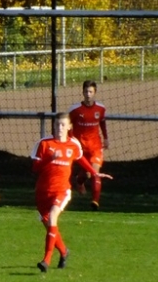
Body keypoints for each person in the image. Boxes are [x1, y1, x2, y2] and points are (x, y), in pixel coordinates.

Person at [30, 112, 112, 272]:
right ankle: (64, 251)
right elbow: (35, 168)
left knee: (53, 217)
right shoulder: (44, 143)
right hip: (43, 191)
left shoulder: (73, 145)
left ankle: (46, 260)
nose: (60, 128)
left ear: (69, 127)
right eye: (57, 125)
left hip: (62, 190)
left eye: (63, 125)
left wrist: (95, 173)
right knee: (50, 226)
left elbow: (81, 159)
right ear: (54, 126)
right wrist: (49, 158)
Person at [68, 80, 109, 210]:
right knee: (87, 174)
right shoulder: (75, 110)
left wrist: (106, 138)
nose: (88, 94)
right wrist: (70, 140)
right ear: (83, 92)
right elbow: (68, 126)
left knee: (95, 173)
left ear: (95, 92)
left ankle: (95, 201)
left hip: (96, 147)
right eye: (86, 91)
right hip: (80, 148)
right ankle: (79, 181)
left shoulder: (101, 108)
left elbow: (102, 122)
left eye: (91, 92)